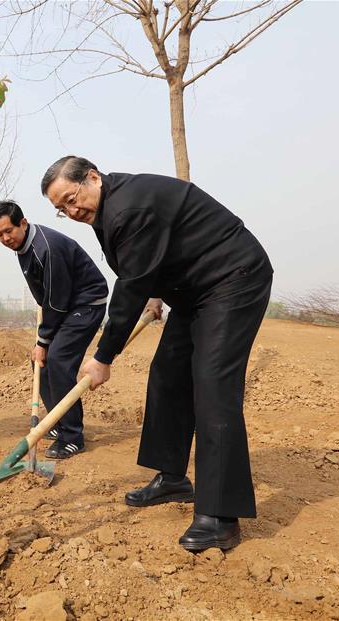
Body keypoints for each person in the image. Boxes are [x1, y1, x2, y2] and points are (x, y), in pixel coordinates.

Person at [41, 155, 273, 551]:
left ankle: (219, 517)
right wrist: (153, 292)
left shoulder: (129, 207)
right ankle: (172, 478)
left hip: (233, 278)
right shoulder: (108, 209)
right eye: (61, 209)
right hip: (192, 289)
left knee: (213, 386)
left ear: (92, 177)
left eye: (71, 198)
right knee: (167, 374)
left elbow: (128, 285)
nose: (71, 210)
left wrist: (103, 356)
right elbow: (146, 262)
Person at [0, 200, 108, 458]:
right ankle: (56, 420)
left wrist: (43, 341)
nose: (5, 238)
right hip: (65, 305)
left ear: (23, 222)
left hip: (86, 304)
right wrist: (42, 341)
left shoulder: (46, 248)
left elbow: (57, 300)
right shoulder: (23, 246)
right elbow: (48, 297)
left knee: (57, 360)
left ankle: (72, 436)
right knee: (39, 363)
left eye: (9, 230)